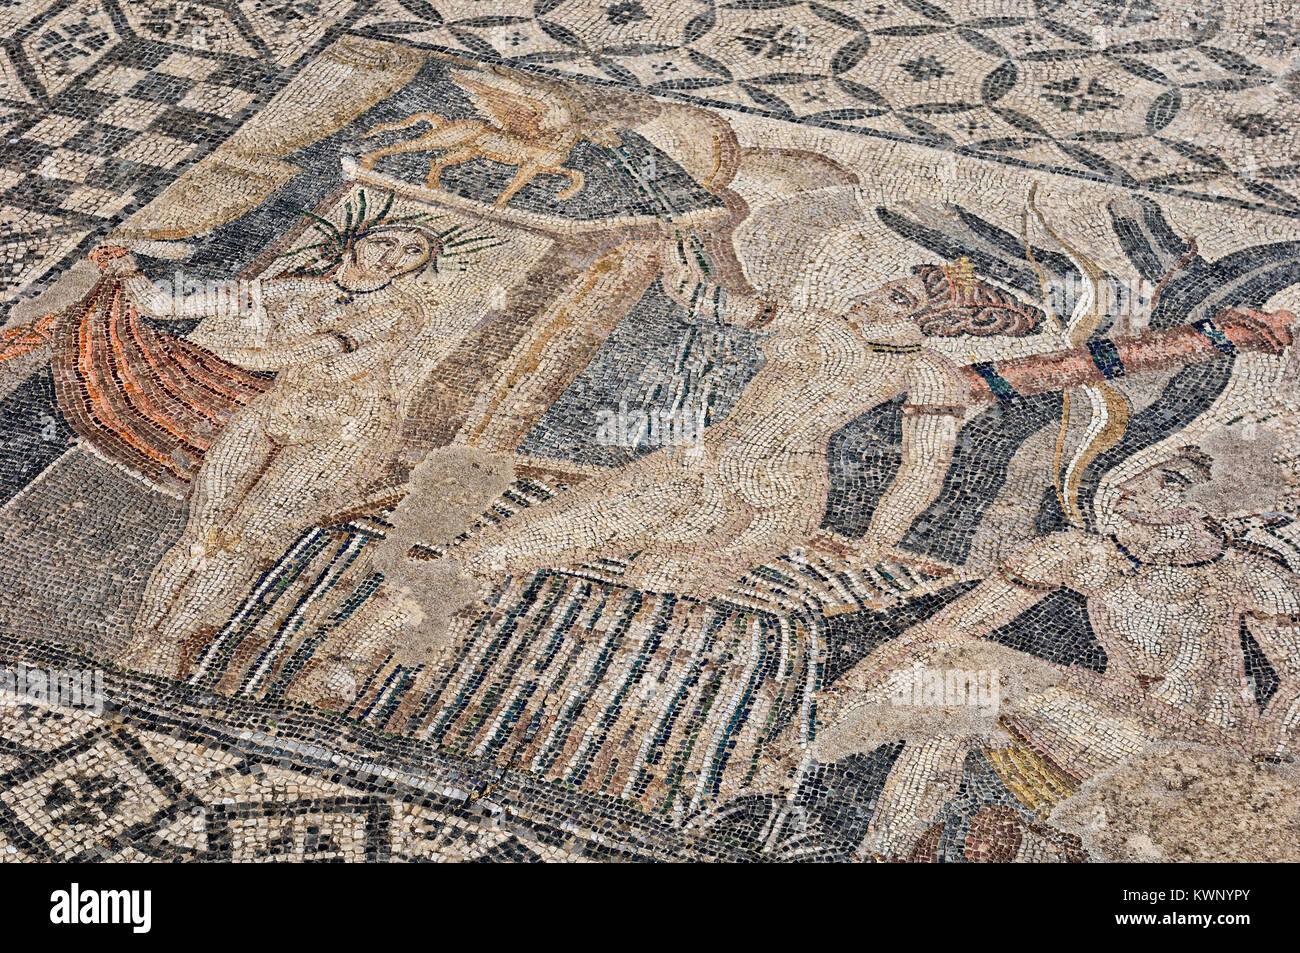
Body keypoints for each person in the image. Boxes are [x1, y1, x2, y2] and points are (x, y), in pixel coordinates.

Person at [444, 264, 1046, 600]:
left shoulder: (928, 374)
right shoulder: (816, 323)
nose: (867, 291)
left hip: (777, 496)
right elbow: (701, 297)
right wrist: (679, 241)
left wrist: (874, 543)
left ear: (927, 317)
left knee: (658, 582)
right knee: (509, 545)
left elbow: (921, 472)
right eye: (885, 283)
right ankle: (389, 623)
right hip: (700, 460)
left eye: (893, 292)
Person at [827, 446, 1300, 854]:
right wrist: (856, 682)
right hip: (1104, 722)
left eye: (1170, 479)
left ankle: (834, 790)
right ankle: (880, 853)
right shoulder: (1081, 555)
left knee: (973, 682)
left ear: (1213, 499)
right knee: (955, 697)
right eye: (1137, 468)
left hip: (1196, 750)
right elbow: (949, 628)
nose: (1133, 485)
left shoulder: (1250, 574)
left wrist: (1269, 767)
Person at [117, 220, 478, 676]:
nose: (393, 254)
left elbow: (310, 352)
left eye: (411, 253)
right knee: (202, 529)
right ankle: (141, 641)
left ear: (413, 270)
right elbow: (161, 305)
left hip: (344, 429)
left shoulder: (402, 311)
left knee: (242, 541)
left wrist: (208, 355)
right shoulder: (292, 290)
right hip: (276, 410)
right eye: (384, 241)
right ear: (354, 244)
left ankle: (169, 650)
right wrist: (125, 269)